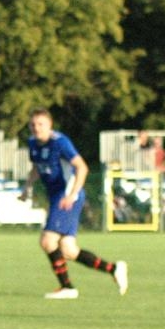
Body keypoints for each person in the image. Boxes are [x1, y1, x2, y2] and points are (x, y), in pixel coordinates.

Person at [21, 108, 128, 299]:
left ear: (50, 125)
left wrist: (71, 194)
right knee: (68, 250)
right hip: (57, 197)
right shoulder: (32, 143)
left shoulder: (60, 142)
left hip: (66, 198)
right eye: (33, 124)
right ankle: (113, 269)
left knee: (47, 241)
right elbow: (37, 167)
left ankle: (67, 288)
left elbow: (82, 167)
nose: (36, 128)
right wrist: (26, 188)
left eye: (41, 124)